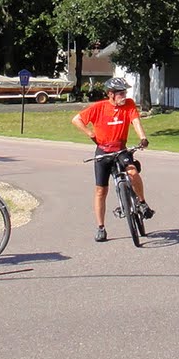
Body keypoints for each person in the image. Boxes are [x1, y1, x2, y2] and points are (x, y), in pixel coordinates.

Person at [72, 76, 152, 242]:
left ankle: (142, 203)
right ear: (110, 94)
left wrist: (143, 138)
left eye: (124, 92)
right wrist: (91, 134)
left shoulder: (129, 104)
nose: (124, 96)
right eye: (120, 93)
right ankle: (101, 228)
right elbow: (76, 120)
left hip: (121, 149)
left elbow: (136, 122)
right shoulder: (99, 107)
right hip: (103, 152)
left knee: (133, 172)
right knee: (101, 191)